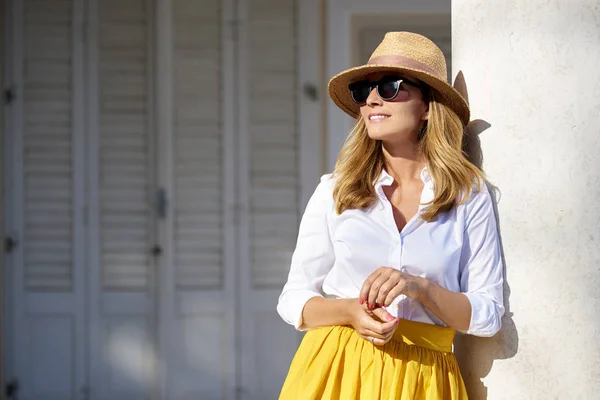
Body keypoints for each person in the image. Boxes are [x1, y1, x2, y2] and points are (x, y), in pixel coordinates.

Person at [276, 32, 504, 399]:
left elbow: (488, 314)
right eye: (363, 91)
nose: (372, 100)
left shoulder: (468, 196)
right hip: (337, 370)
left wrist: (421, 288)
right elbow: (293, 300)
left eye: (390, 86)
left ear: (428, 105)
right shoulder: (335, 191)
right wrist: (350, 311)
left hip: (425, 379)